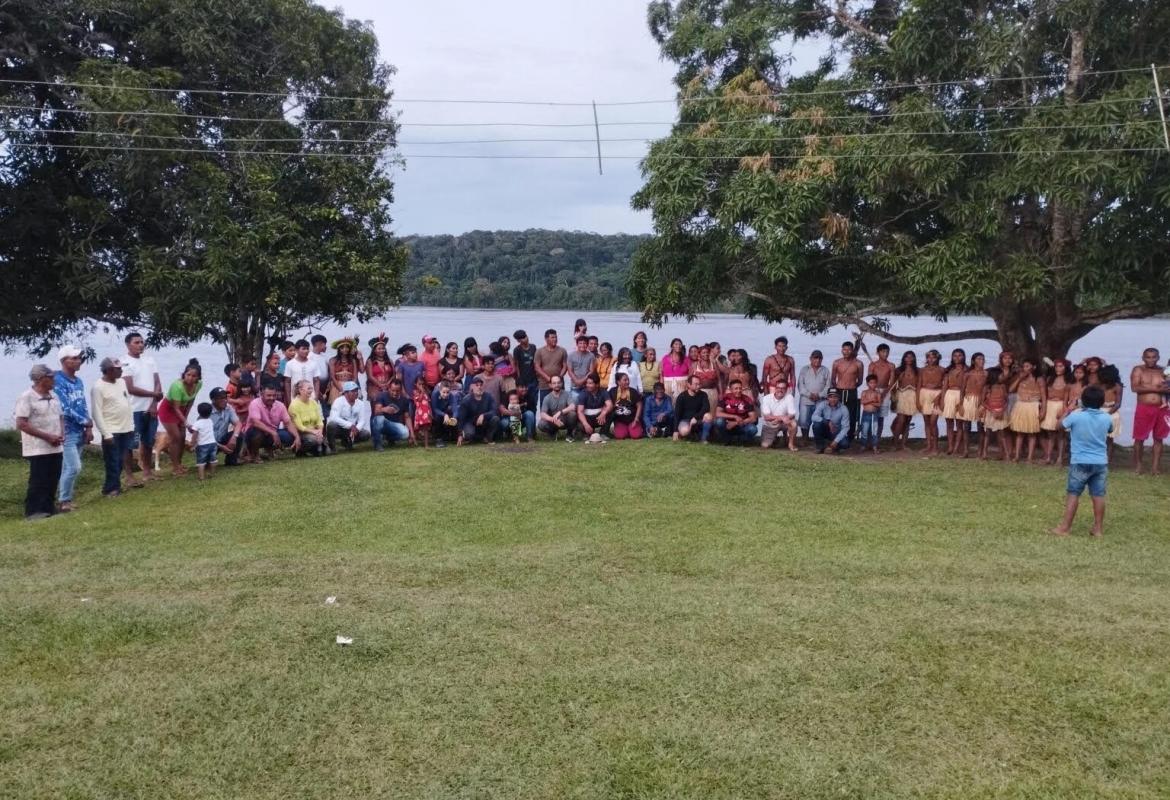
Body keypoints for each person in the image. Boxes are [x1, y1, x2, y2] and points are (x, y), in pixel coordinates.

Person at [1051, 385, 1113, 537]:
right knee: (1098, 495)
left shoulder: (1076, 416)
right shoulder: (1107, 417)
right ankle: (1098, 529)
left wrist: (1069, 409)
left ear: (1083, 401)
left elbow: (1058, 426)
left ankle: (1065, 528)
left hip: (1080, 461)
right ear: (1102, 402)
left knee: (1073, 493)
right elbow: (1110, 430)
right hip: (1100, 462)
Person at [15, 365, 65, 519]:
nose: (54, 380)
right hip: (38, 447)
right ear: (40, 379)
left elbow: (60, 417)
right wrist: (47, 436)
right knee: (39, 479)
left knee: (53, 477)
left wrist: (61, 434)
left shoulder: (54, 396)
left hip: (56, 445)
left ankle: (49, 508)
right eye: (50, 377)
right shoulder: (27, 397)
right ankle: (34, 511)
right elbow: (21, 424)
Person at [91, 357, 139, 496]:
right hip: (111, 429)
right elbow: (96, 412)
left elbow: (127, 403)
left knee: (121, 459)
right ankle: (112, 488)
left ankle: (112, 486)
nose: (121, 371)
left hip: (125, 427)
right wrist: (105, 433)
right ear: (109, 370)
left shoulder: (121, 382)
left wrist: (131, 425)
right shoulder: (98, 387)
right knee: (112, 459)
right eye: (118, 369)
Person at [121, 331, 164, 482]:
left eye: (142, 342)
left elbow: (157, 382)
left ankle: (147, 472)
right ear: (128, 345)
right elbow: (130, 388)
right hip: (134, 409)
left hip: (151, 409)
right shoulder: (124, 363)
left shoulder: (149, 360)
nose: (140, 345)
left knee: (148, 441)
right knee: (130, 443)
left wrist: (154, 404)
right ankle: (129, 475)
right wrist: (153, 394)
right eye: (136, 342)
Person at [53, 344, 91, 513]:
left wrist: (88, 426)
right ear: (64, 361)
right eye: (74, 358)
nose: (78, 361)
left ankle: (64, 498)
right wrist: (85, 421)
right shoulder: (57, 380)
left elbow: (82, 404)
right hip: (66, 430)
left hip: (79, 429)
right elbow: (64, 408)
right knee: (74, 467)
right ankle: (64, 500)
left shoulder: (78, 381)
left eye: (79, 358)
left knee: (68, 467)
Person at [157, 359, 203, 477]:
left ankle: (179, 463)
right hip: (168, 410)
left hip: (182, 411)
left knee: (182, 438)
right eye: (188, 375)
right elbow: (175, 408)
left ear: (198, 377)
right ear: (184, 374)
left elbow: (191, 401)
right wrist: (186, 423)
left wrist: (185, 419)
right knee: (176, 437)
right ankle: (175, 467)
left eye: (194, 376)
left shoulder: (198, 384)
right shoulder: (177, 386)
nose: (190, 378)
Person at [1130, 347, 1168, 475]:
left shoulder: (1164, 370)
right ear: (1143, 358)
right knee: (1139, 438)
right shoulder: (1138, 369)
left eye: (1153, 357)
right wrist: (1158, 389)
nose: (1151, 360)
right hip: (1144, 407)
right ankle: (1138, 466)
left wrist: (1163, 389)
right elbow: (1135, 388)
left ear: (1158, 357)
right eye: (1148, 357)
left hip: (1162, 408)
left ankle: (1155, 468)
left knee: (1159, 438)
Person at [244, 386, 299, 460]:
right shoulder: (255, 403)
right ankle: (254, 454)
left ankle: (269, 450)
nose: (272, 398)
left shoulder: (280, 405)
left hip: (271, 434)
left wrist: (297, 437)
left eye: (274, 395)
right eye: (269, 395)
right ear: (261, 394)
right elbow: (255, 423)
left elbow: (288, 423)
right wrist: (273, 433)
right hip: (255, 432)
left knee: (289, 436)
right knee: (257, 433)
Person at [1009, 358, 1046, 464]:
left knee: (1032, 433)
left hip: (1033, 406)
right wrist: (1019, 378)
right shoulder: (1020, 377)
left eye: (1027, 366)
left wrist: (1043, 409)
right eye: (1024, 366)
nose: (1025, 368)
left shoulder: (1039, 379)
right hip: (1021, 405)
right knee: (1019, 432)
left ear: (1034, 367)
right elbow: (1011, 390)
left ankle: (1030, 457)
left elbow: (1043, 395)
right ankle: (1017, 456)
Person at [1042, 359, 1072, 466]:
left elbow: (1066, 399)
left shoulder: (1068, 381)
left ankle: (1060, 458)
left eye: (1061, 366)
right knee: (1050, 434)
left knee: (1061, 434)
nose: (1058, 369)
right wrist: (1043, 408)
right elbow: (1045, 394)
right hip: (1049, 405)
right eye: (1056, 366)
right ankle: (1048, 457)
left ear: (1066, 368)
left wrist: (1064, 411)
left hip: (1060, 406)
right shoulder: (1050, 379)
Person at [796, 350, 831, 443]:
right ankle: (805, 438)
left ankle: (818, 439)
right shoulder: (804, 369)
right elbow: (800, 385)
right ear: (810, 359)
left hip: (820, 400)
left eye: (820, 358)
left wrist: (819, 395)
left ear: (822, 359)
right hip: (806, 400)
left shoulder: (825, 370)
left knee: (819, 420)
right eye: (815, 358)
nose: (817, 360)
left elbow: (828, 386)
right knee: (804, 420)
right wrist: (809, 394)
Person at [831, 340, 864, 437]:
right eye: (844, 349)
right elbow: (833, 379)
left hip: (852, 391)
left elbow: (860, 380)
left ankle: (850, 436)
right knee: (837, 413)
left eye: (849, 350)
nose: (846, 352)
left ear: (852, 350)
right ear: (842, 350)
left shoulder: (858, 364)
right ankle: (836, 435)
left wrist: (851, 386)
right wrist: (837, 390)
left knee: (851, 415)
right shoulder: (837, 363)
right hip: (839, 391)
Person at [327, 380, 371, 451]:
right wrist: (350, 425)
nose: (356, 393)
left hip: (352, 429)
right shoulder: (338, 401)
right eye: (353, 391)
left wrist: (357, 429)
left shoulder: (360, 403)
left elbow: (362, 420)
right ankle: (332, 447)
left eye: (356, 390)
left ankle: (348, 442)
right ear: (346, 393)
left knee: (366, 434)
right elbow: (334, 417)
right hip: (340, 428)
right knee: (331, 425)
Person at [958, 353, 987, 459]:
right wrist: (960, 404)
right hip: (969, 400)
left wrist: (983, 403)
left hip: (981, 400)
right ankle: (966, 450)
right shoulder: (968, 374)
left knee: (981, 427)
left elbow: (987, 388)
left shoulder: (986, 374)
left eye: (983, 359)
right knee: (966, 426)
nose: (981, 361)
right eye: (979, 359)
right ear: (973, 361)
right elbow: (962, 390)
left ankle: (980, 451)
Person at [371, 378, 413, 450]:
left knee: (405, 434)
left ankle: (389, 439)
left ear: (401, 390)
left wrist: (412, 433)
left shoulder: (404, 400)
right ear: (389, 388)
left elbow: (407, 417)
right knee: (379, 418)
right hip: (382, 423)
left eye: (397, 391)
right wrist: (385, 409)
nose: (395, 393)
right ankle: (377, 443)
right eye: (393, 390)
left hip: (393, 424)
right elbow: (376, 411)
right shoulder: (382, 395)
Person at [288, 380, 326, 456]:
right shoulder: (294, 405)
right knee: (313, 440)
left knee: (327, 451)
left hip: (315, 431)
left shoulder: (313, 402)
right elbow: (299, 426)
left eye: (311, 388)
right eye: (309, 388)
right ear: (300, 390)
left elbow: (319, 421)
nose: (311, 390)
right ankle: (299, 450)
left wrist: (320, 432)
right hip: (301, 433)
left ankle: (314, 449)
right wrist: (314, 432)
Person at [714, 379, 758, 444]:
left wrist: (735, 423)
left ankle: (741, 440)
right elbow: (717, 413)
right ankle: (725, 438)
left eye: (740, 388)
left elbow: (753, 418)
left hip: (741, 425)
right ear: (731, 390)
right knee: (719, 421)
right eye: (736, 388)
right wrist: (734, 416)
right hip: (727, 424)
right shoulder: (725, 398)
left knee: (753, 429)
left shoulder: (747, 399)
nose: (738, 390)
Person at [918, 349, 945, 456]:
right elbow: (919, 385)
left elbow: (945, 385)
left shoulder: (942, 370)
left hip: (936, 394)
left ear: (938, 358)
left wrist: (939, 396)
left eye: (934, 357)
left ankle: (935, 447)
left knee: (933, 422)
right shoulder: (922, 370)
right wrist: (917, 400)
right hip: (924, 394)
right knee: (927, 422)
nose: (931, 359)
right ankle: (929, 445)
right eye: (929, 357)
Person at [979, 367, 1010, 461]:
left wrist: (1002, 410)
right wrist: (992, 410)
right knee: (987, 433)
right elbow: (982, 401)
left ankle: (1006, 454)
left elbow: (1007, 400)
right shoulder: (987, 387)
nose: (1003, 376)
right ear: (995, 376)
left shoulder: (1003, 386)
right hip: (990, 412)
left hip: (1001, 412)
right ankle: (984, 453)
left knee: (1002, 434)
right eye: (1001, 375)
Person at [457, 376, 499, 444]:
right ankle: (474, 437)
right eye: (477, 385)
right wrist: (460, 434)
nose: (479, 387)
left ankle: (488, 438)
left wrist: (483, 415)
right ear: (472, 387)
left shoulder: (489, 397)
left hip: (484, 422)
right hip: (470, 422)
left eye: (481, 385)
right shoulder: (466, 400)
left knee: (495, 419)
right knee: (468, 434)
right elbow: (461, 418)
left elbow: (494, 411)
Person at [890, 351, 919, 452]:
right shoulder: (898, 370)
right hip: (901, 396)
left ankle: (903, 444)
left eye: (911, 357)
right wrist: (893, 399)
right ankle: (895, 443)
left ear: (914, 358)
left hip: (913, 397)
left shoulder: (917, 371)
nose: (909, 359)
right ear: (904, 358)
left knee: (907, 421)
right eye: (907, 357)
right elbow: (893, 386)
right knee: (901, 420)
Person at [940, 349, 967, 456]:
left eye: (960, 355)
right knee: (949, 422)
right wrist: (942, 400)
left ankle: (956, 447)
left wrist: (962, 402)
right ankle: (950, 446)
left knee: (960, 423)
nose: (957, 358)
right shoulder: (948, 370)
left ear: (963, 357)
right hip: (949, 395)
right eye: (955, 355)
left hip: (961, 395)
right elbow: (944, 386)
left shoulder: (967, 370)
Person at [759, 379, 799, 451]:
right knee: (765, 445)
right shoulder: (766, 398)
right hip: (771, 424)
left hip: (784, 423)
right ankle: (775, 439)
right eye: (778, 388)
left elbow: (792, 414)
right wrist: (782, 417)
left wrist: (779, 419)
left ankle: (791, 444)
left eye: (783, 388)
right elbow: (767, 417)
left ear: (786, 389)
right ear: (775, 388)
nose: (780, 390)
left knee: (793, 423)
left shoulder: (789, 397)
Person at [866, 343, 895, 442]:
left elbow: (892, 382)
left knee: (880, 418)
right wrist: (874, 393)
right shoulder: (872, 365)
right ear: (878, 352)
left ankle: (876, 440)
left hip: (885, 391)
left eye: (887, 352)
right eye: (883, 352)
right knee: (870, 416)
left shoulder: (891, 365)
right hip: (873, 391)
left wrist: (883, 394)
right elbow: (869, 381)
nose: (885, 354)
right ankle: (868, 440)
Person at [534, 329, 568, 409]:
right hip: (545, 384)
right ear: (546, 339)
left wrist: (559, 377)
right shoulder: (539, 351)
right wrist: (548, 379)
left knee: (562, 406)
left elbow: (565, 366)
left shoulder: (562, 351)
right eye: (552, 337)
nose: (555, 339)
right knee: (544, 407)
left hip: (559, 384)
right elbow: (537, 367)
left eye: (556, 337)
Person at [208, 388, 242, 466]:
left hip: (221, 439)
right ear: (213, 400)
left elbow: (238, 423)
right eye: (221, 398)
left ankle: (231, 460)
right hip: (208, 442)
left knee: (239, 435)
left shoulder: (228, 408)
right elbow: (204, 436)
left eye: (225, 398)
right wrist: (221, 447)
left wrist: (234, 437)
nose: (225, 400)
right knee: (207, 465)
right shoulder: (207, 411)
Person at [537, 375, 578, 441]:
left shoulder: (567, 394)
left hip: (565, 420)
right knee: (541, 424)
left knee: (573, 414)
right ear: (550, 385)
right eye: (554, 383)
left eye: (558, 382)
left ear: (561, 383)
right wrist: (552, 420)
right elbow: (542, 414)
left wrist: (560, 412)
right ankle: (553, 433)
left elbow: (573, 406)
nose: (557, 385)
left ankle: (569, 434)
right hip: (553, 422)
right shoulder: (547, 398)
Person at [673, 375, 713, 442]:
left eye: (699, 384)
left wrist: (695, 417)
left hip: (698, 419)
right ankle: (691, 435)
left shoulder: (703, 395)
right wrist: (675, 431)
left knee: (709, 416)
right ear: (689, 385)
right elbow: (677, 414)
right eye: (696, 384)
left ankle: (704, 439)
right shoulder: (681, 396)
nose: (698, 386)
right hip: (685, 420)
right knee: (684, 431)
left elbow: (706, 408)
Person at [811, 388, 851, 454]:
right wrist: (827, 422)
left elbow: (845, 428)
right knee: (816, 425)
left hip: (836, 432)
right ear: (827, 398)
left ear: (839, 398)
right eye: (830, 397)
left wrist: (835, 441)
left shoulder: (844, 409)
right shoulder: (822, 404)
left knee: (845, 444)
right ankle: (820, 447)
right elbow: (813, 417)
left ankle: (831, 446)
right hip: (825, 430)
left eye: (835, 397)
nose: (833, 399)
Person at [187, 402, 219, 480]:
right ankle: (212, 474)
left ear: (198, 412)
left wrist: (192, 444)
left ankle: (201, 477)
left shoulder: (197, 423)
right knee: (213, 460)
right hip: (213, 443)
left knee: (201, 461)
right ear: (210, 412)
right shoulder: (210, 421)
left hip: (202, 445)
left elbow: (195, 435)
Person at [608, 371, 644, 440]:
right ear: (618, 382)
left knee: (636, 436)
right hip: (619, 421)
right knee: (620, 436)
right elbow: (608, 405)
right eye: (625, 380)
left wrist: (636, 419)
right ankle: (625, 430)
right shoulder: (612, 391)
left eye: (628, 380)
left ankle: (631, 429)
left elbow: (639, 405)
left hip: (632, 420)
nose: (627, 382)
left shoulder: (633, 391)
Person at [282, 339, 319, 404]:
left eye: (307, 349)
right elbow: (287, 382)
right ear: (297, 350)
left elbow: (316, 381)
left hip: (311, 398)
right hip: (295, 399)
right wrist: (289, 400)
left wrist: (316, 397)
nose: (306, 351)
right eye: (303, 349)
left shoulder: (314, 364)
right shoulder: (290, 364)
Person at [576, 373, 612, 439]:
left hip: (599, 417)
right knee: (578, 419)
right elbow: (580, 411)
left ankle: (603, 433)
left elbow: (610, 405)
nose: (587, 385)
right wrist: (585, 424)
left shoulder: (603, 392)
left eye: (590, 383)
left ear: (597, 384)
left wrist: (604, 413)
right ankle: (585, 434)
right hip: (587, 418)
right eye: (587, 383)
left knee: (611, 412)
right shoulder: (583, 394)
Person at [1099, 365, 1124, 461]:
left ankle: (1107, 458)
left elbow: (1118, 404)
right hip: (1099, 410)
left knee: (1110, 438)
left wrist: (1107, 414)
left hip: (1111, 412)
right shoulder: (1099, 386)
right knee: (1098, 436)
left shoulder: (1117, 387)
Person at [328, 338, 363, 403]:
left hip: (351, 386)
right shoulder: (332, 360)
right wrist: (341, 389)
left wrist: (350, 389)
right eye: (342, 348)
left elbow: (355, 377)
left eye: (347, 347)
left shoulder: (353, 361)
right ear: (339, 349)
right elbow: (332, 377)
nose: (345, 349)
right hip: (337, 387)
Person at [512, 330, 539, 412]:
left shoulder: (533, 347)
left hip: (534, 379)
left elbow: (536, 362)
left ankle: (533, 418)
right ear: (518, 340)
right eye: (522, 338)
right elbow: (516, 365)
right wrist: (519, 378)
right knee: (523, 401)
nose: (525, 339)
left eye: (525, 336)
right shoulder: (517, 350)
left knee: (534, 402)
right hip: (523, 380)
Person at [431, 380, 460, 447]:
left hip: (445, 412)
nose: (446, 394)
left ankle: (455, 436)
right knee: (438, 418)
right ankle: (438, 439)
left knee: (454, 418)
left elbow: (455, 409)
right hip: (435, 414)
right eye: (443, 392)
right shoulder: (435, 394)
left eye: (447, 392)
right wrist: (444, 415)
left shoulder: (452, 396)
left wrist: (454, 418)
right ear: (440, 390)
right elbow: (434, 409)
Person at [858, 374, 883, 453]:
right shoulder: (864, 392)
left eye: (874, 383)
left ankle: (874, 446)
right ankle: (863, 445)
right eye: (871, 383)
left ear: (876, 383)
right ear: (867, 383)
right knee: (864, 430)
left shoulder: (877, 393)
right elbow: (862, 402)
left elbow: (879, 404)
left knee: (874, 431)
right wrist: (871, 401)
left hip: (874, 414)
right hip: (866, 414)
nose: (873, 384)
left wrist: (870, 403)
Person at [365, 335, 394, 399]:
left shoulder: (389, 361)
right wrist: (380, 385)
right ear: (374, 350)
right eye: (379, 349)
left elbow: (393, 375)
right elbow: (370, 376)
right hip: (374, 388)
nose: (381, 350)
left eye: (383, 348)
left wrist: (388, 383)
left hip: (388, 388)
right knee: (376, 404)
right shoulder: (370, 361)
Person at [413, 378, 434, 447]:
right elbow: (419, 399)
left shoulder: (426, 392)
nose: (421, 386)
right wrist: (422, 392)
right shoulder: (415, 392)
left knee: (426, 428)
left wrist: (430, 412)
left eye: (423, 384)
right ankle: (413, 440)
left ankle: (426, 444)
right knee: (417, 428)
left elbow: (428, 403)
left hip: (426, 412)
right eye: (419, 384)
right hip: (420, 413)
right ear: (415, 384)